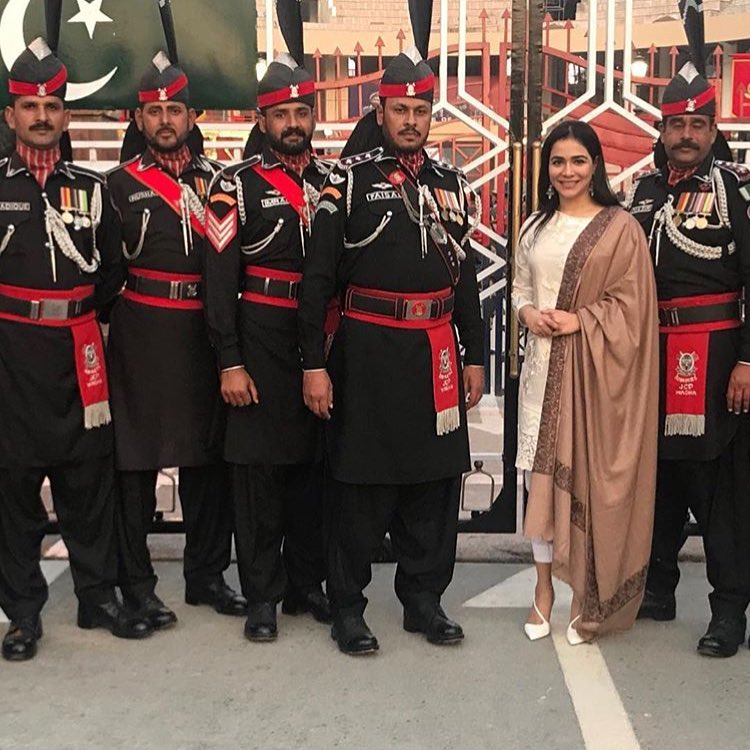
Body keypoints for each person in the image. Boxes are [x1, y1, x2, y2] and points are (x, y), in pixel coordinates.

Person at [298, 47, 485, 656]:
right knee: (359, 484)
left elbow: (466, 282)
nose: (410, 119)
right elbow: (316, 284)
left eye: (421, 109)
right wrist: (313, 366)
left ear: (433, 114)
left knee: (434, 483)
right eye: (400, 108)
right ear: (379, 110)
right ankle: (347, 607)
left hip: (433, 351)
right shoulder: (344, 183)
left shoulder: (453, 186)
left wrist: (476, 356)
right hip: (367, 352)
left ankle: (424, 600)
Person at [0, 38, 154, 661]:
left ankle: (97, 598)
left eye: (52, 105)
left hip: (80, 353)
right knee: (13, 493)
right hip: (10, 354)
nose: (41, 115)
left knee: (89, 486)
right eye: (29, 105)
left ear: (67, 116)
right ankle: (23, 614)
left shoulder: (91, 190)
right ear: (10, 115)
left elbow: (113, 272)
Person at [106, 53, 246, 629]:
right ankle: (136, 584)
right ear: (139, 120)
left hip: (205, 334)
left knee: (207, 463)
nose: (165, 119)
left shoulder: (221, 182)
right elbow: (106, 271)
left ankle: (205, 575)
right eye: (154, 110)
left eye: (175, 109)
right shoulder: (117, 185)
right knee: (135, 465)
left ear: (193, 114)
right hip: (142, 333)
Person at [513, 120, 659, 645]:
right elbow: (519, 286)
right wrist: (529, 313)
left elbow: (634, 305)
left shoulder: (620, 227)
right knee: (540, 483)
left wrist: (582, 320)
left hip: (593, 374)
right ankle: (542, 593)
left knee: (584, 481)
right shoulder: (534, 226)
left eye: (578, 161)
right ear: (546, 169)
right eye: (558, 161)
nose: (567, 171)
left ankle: (583, 596)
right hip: (541, 370)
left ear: (595, 165)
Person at [203, 54, 331, 642]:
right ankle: (262, 596)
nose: (294, 122)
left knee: (311, 469)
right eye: (282, 113)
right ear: (261, 117)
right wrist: (229, 358)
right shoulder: (233, 185)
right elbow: (219, 279)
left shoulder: (334, 182)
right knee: (257, 477)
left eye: (302, 111)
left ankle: (306, 584)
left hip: (317, 344)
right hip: (257, 340)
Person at [629, 63, 750, 658]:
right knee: (661, 478)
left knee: (719, 488)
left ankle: (729, 610)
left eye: (697, 125)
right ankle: (658, 587)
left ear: (712, 129)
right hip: (654, 355)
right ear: (663, 127)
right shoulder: (643, 191)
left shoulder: (737, 190)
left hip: (717, 355)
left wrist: (748, 362)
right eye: (677, 124)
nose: (686, 135)